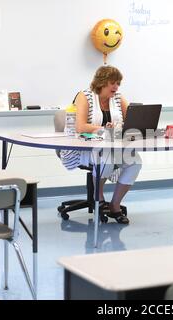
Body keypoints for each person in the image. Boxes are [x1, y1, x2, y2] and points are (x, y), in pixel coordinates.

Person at [60, 65, 142, 224]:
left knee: (135, 162)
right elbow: (80, 127)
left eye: (118, 83)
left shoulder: (117, 97)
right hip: (83, 146)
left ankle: (114, 205)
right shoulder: (85, 96)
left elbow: (132, 120)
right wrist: (104, 129)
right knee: (107, 157)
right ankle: (98, 198)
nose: (116, 86)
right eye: (113, 82)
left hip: (113, 145)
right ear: (101, 82)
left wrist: (134, 126)